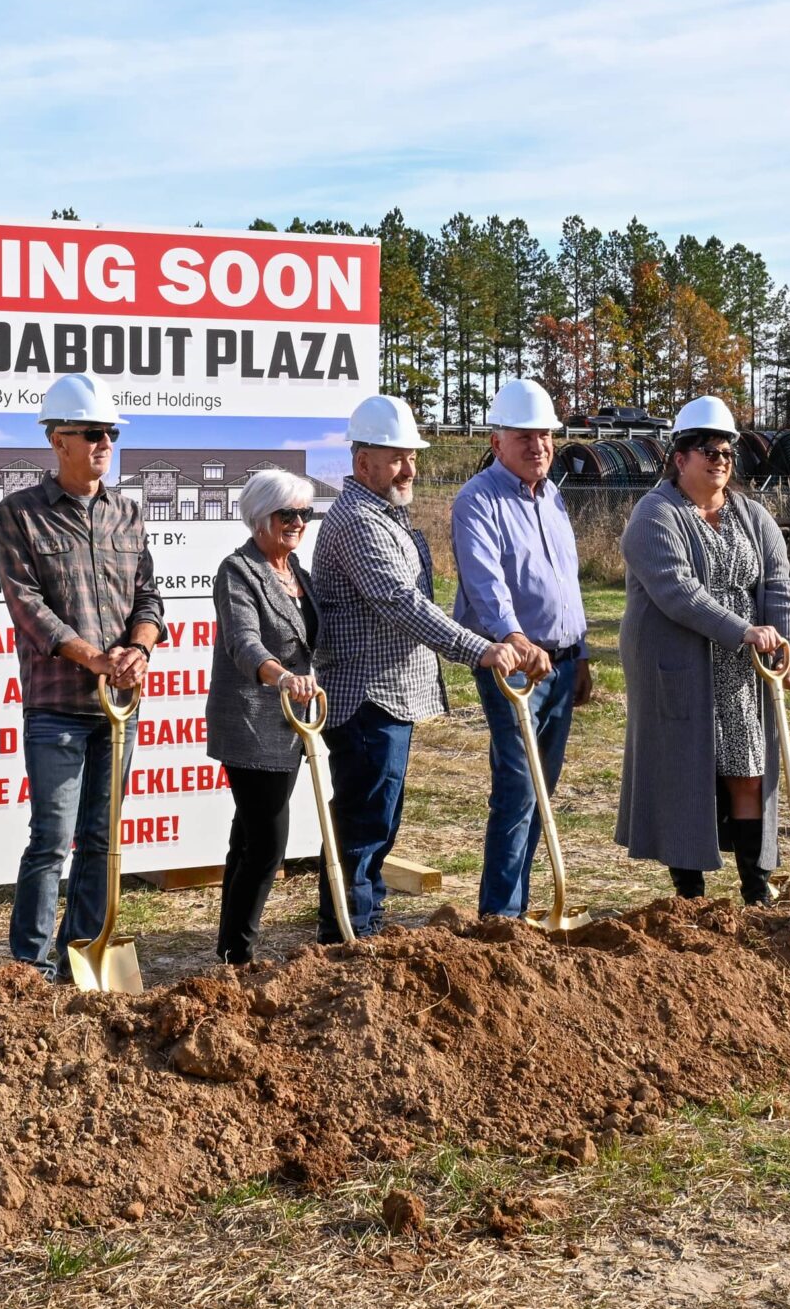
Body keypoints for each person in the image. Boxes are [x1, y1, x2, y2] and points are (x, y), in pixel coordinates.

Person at [313, 394, 531, 942]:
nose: (410, 468)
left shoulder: (385, 514)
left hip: (386, 696)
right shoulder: (359, 521)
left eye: (412, 456)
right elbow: (400, 603)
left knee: (376, 822)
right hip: (366, 696)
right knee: (365, 824)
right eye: (397, 458)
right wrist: (476, 648)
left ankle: (360, 924)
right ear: (363, 463)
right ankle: (349, 935)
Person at [0, 373, 164, 979]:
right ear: (57, 439)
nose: (104, 443)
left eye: (110, 433)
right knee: (50, 841)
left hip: (120, 703)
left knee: (100, 839)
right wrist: (95, 658)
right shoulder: (20, 514)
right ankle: (29, 968)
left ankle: (82, 954)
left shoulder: (129, 513)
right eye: (91, 432)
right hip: (57, 705)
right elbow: (26, 604)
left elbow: (149, 599)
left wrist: (138, 650)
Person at [616, 394, 790, 904]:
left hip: (743, 670)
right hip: (678, 664)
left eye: (726, 451)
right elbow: (676, 590)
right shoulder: (655, 514)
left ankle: (755, 889)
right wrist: (742, 629)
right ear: (680, 457)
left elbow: (779, 586)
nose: (719, 459)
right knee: (684, 772)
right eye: (707, 450)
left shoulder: (752, 515)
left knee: (747, 768)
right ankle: (690, 897)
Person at [452, 376, 589, 919]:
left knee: (542, 788)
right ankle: (501, 919)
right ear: (497, 442)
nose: (538, 446)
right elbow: (487, 587)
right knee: (517, 787)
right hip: (514, 668)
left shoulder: (552, 496)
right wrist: (514, 637)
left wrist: (580, 651)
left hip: (562, 662)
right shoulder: (477, 501)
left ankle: (525, 905)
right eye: (525, 436)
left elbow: (567, 583)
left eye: (546, 436)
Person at [204, 468, 322, 964]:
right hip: (252, 723)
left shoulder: (299, 574)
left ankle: (228, 952)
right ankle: (242, 954)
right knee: (269, 844)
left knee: (247, 839)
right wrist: (281, 678)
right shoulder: (239, 571)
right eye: (286, 513)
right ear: (259, 518)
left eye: (304, 513)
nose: (297, 522)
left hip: (293, 726)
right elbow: (243, 642)